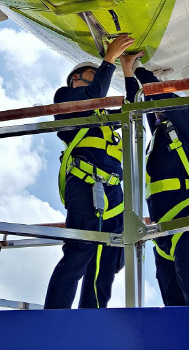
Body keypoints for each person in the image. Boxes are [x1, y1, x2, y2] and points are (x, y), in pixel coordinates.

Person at [44, 34, 138, 309]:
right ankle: (55, 317)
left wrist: (128, 70)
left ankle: (93, 315)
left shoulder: (103, 117)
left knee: (110, 257)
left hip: (113, 193)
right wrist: (109, 59)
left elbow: (135, 108)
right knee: (79, 252)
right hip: (86, 185)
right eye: (91, 74)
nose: (98, 78)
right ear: (75, 79)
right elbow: (93, 95)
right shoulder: (66, 98)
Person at [120, 53, 189, 306]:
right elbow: (136, 107)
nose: (157, 110)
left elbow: (164, 96)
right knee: (173, 304)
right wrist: (128, 73)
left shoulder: (188, 130)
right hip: (163, 230)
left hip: (188, 221)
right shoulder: (160, 136)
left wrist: (141, 70)